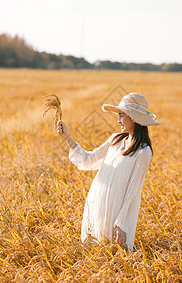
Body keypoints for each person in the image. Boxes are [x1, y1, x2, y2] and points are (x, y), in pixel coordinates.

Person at [57, 93, 161, 252]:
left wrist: (122, 223)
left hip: (117, 210)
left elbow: (133, 190)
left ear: (133, 118)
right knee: (94, 254)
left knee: (116, 258)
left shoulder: (143, 152)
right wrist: (67, 137)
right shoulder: (115, 140)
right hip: (98, 203)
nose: (118, 120)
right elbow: (89, 159)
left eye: (121, 115)